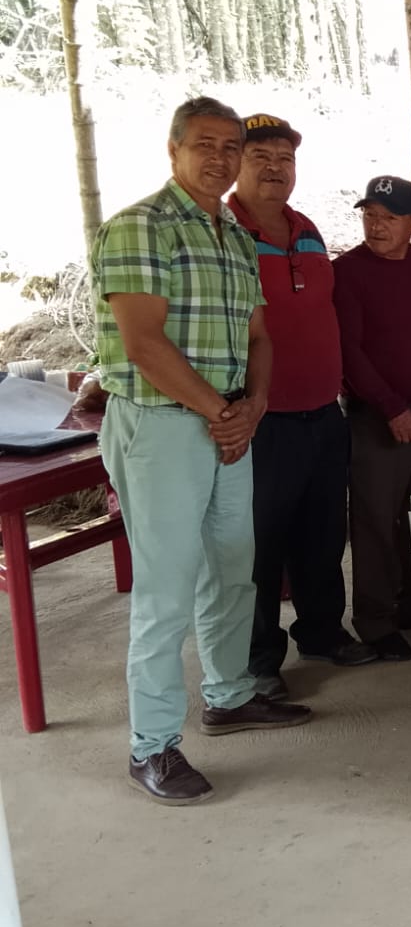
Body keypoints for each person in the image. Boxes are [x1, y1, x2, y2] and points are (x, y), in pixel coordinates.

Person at [94, 96, 311, 806]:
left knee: (232, 568)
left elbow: (259, 337)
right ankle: (152, 746)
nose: (219, 159)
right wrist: (224, 414)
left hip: (229, 425)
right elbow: (143, 342)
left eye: (229, 148)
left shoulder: (234, 236)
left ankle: (228, 694)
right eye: (204, 146)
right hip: (163, 425)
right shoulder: (141, 226)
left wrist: (254, 406)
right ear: (174, 149)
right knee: (166, 589)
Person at [228, 113, 375, 700]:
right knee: (259, 545)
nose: (275, 168)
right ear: (236, 163)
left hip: (322, 411)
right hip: (263, 420)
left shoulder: (306, 228)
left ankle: (322, 632)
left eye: (284, 159)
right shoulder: (224, 232)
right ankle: (258, 659)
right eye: (260, 156)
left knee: (322, 534)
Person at [333, 175, 411, 663]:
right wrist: (391, 407)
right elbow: (349, 352)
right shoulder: (347, 272)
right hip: (378, 417)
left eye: (389, 218)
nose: (376, 226)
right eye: (370, 216)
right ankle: (375, 622)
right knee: (375, 520)